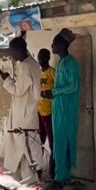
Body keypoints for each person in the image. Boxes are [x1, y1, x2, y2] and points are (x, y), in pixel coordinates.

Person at [0, 37, 43, 180]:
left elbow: (18, 90)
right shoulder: (33, 64)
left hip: (23, 116)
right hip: (28, 112)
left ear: (18, 50)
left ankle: (31, 181)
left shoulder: (25, 66)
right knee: (25, 152)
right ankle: (27, 180)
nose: (11, 55)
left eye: (11, 51)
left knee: (26, 151)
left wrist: (6, 79)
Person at [49, 31, 81, 190]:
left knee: (63, 142)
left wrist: (54, 92)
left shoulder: (71, 63)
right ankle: (61, 175)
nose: (52, 46)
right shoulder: (60, 62)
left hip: (67, 109)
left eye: (54, 43)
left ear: (62, 45)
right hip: (58, 108)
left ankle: (60, 177)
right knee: (59, 143)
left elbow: (73, 85)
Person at [37, 48, 56, 180]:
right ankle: (38, 170)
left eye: (44, 57)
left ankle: (52, 171)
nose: (41, 59)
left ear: (48, 58)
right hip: (38, 111)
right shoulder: (38, 74)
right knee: (39, 142)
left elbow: (58, 89)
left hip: (50, 112)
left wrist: (50, 93)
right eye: (40, 57)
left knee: (53, 142)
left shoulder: (52, 72)